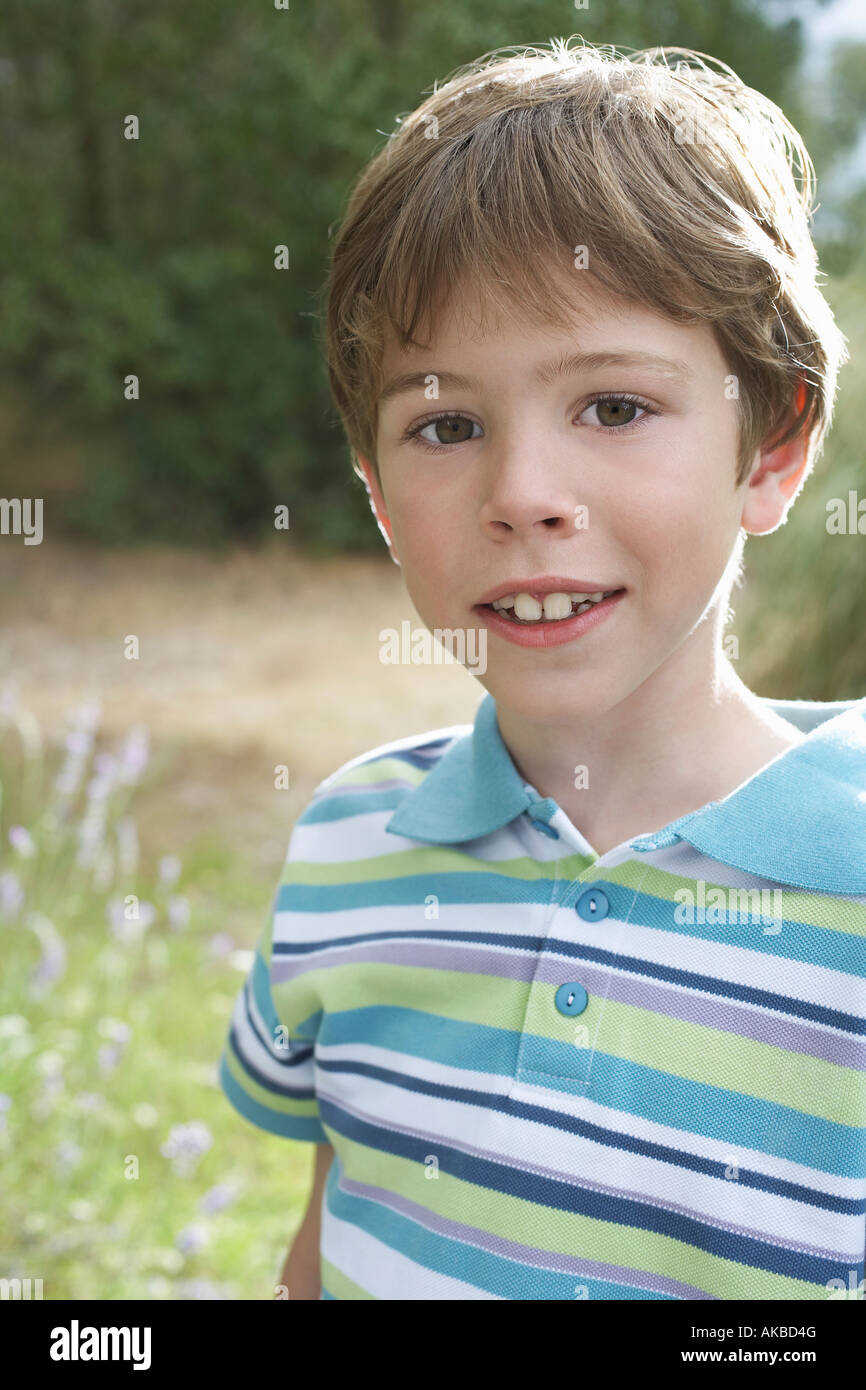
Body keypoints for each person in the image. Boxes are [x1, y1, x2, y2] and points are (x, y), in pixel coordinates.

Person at [219, 37, 866, 1300]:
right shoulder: (350, 846)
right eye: (446, 425)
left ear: (771, 445)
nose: (522, 496)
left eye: (612, 407)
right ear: (377, 492)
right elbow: (324, 1249)